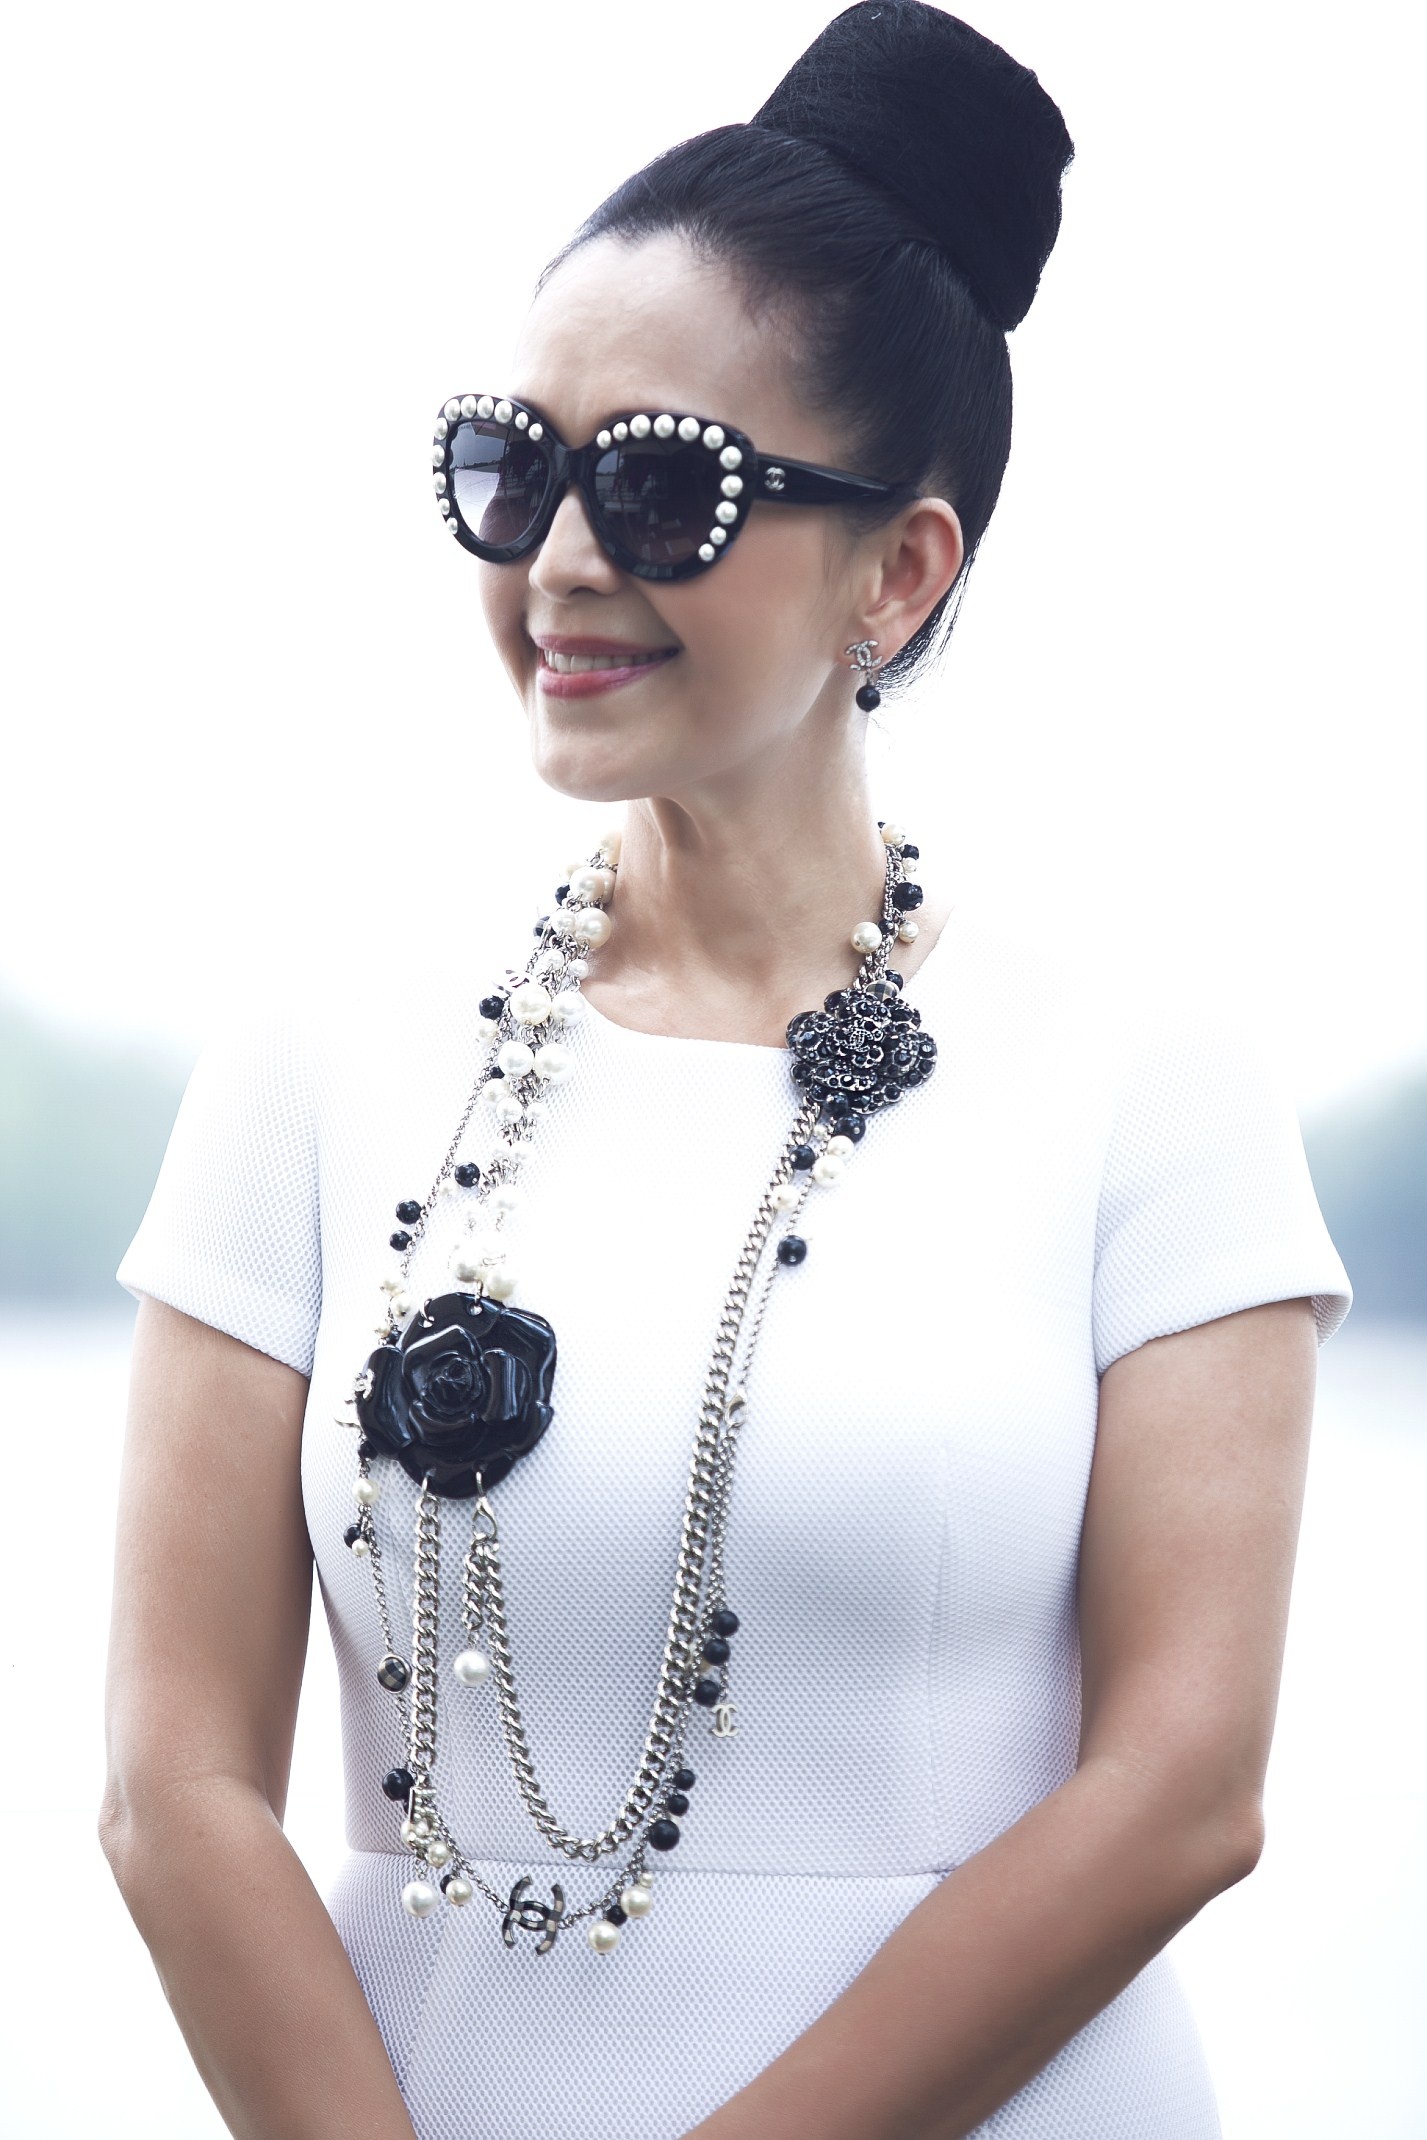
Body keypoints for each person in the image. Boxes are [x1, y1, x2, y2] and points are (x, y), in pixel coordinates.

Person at [98, 6, 1353, 2137]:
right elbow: (172, 1784)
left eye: (667, 484)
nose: (563, 559)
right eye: (514, 467)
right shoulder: (323, 1043)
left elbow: (1181, 1793)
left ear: (902, 569)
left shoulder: (1148, 1071)